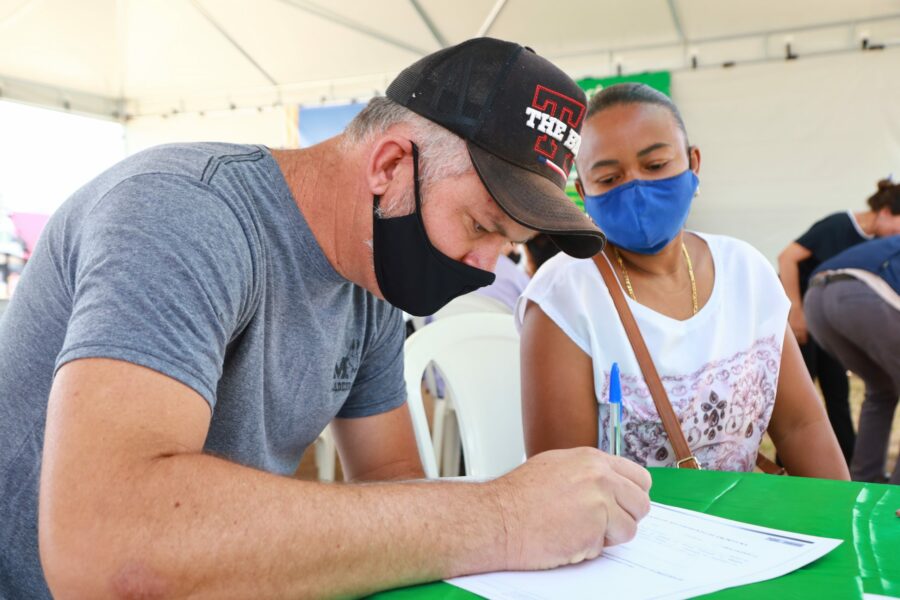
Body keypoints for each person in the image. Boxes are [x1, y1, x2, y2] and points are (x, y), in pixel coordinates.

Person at [0, 39, 653, 599]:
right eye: (482, 225)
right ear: (392, 164)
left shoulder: (368, 281)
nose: (486, 266)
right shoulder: (183, 214)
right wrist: (501, 516)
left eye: (507, 243)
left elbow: (394, 487)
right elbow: (107, 547)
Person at [518, 83, 849, 478]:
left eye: (655, 165)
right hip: (627, 536)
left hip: (744, 529)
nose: (635, 188)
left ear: (693, 163)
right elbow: (565, 482)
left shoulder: (745, 270)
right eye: (608, 178)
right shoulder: (564, 298)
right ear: (582, 192)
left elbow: (801, 426)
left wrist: (843, 530)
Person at [778, 180, 900, 462]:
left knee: (841, 392)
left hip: (836, 321)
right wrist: (794, 312)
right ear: (884, 211)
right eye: (897, 226)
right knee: (802, 393)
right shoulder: (839, 225)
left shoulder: (878, 247)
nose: (896, 236)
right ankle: (789, 462)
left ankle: (850, 462)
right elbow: (787, 258)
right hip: (805, 315)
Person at [804, 235, 900, 484]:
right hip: (865, 293)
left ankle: (865, 485)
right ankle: (894, 497)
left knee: (881, 391)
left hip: (816, 298)